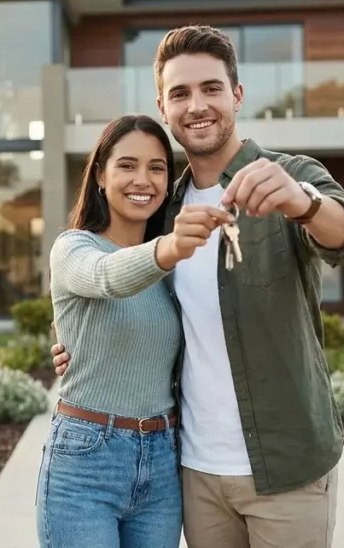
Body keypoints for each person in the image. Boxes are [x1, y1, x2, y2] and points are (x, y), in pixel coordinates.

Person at [50, 25, 344, 548]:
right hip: (193, 471)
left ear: (237, 95)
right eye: (180, 93)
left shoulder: (291, 176)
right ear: (163, 106)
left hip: (287, 466)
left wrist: (305, 203)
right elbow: (117, 279)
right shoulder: (162, 209)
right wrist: (77, 340)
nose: (196, 105)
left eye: (211, 88)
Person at [36, 113, 236, 548]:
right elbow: (105, 277)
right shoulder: (74, 246)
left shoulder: (174, 269)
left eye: (157, 167)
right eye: (126, 165)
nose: (142, 179)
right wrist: (168, 249)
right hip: (86, 461)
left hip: (163, 461)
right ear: (101, 178)